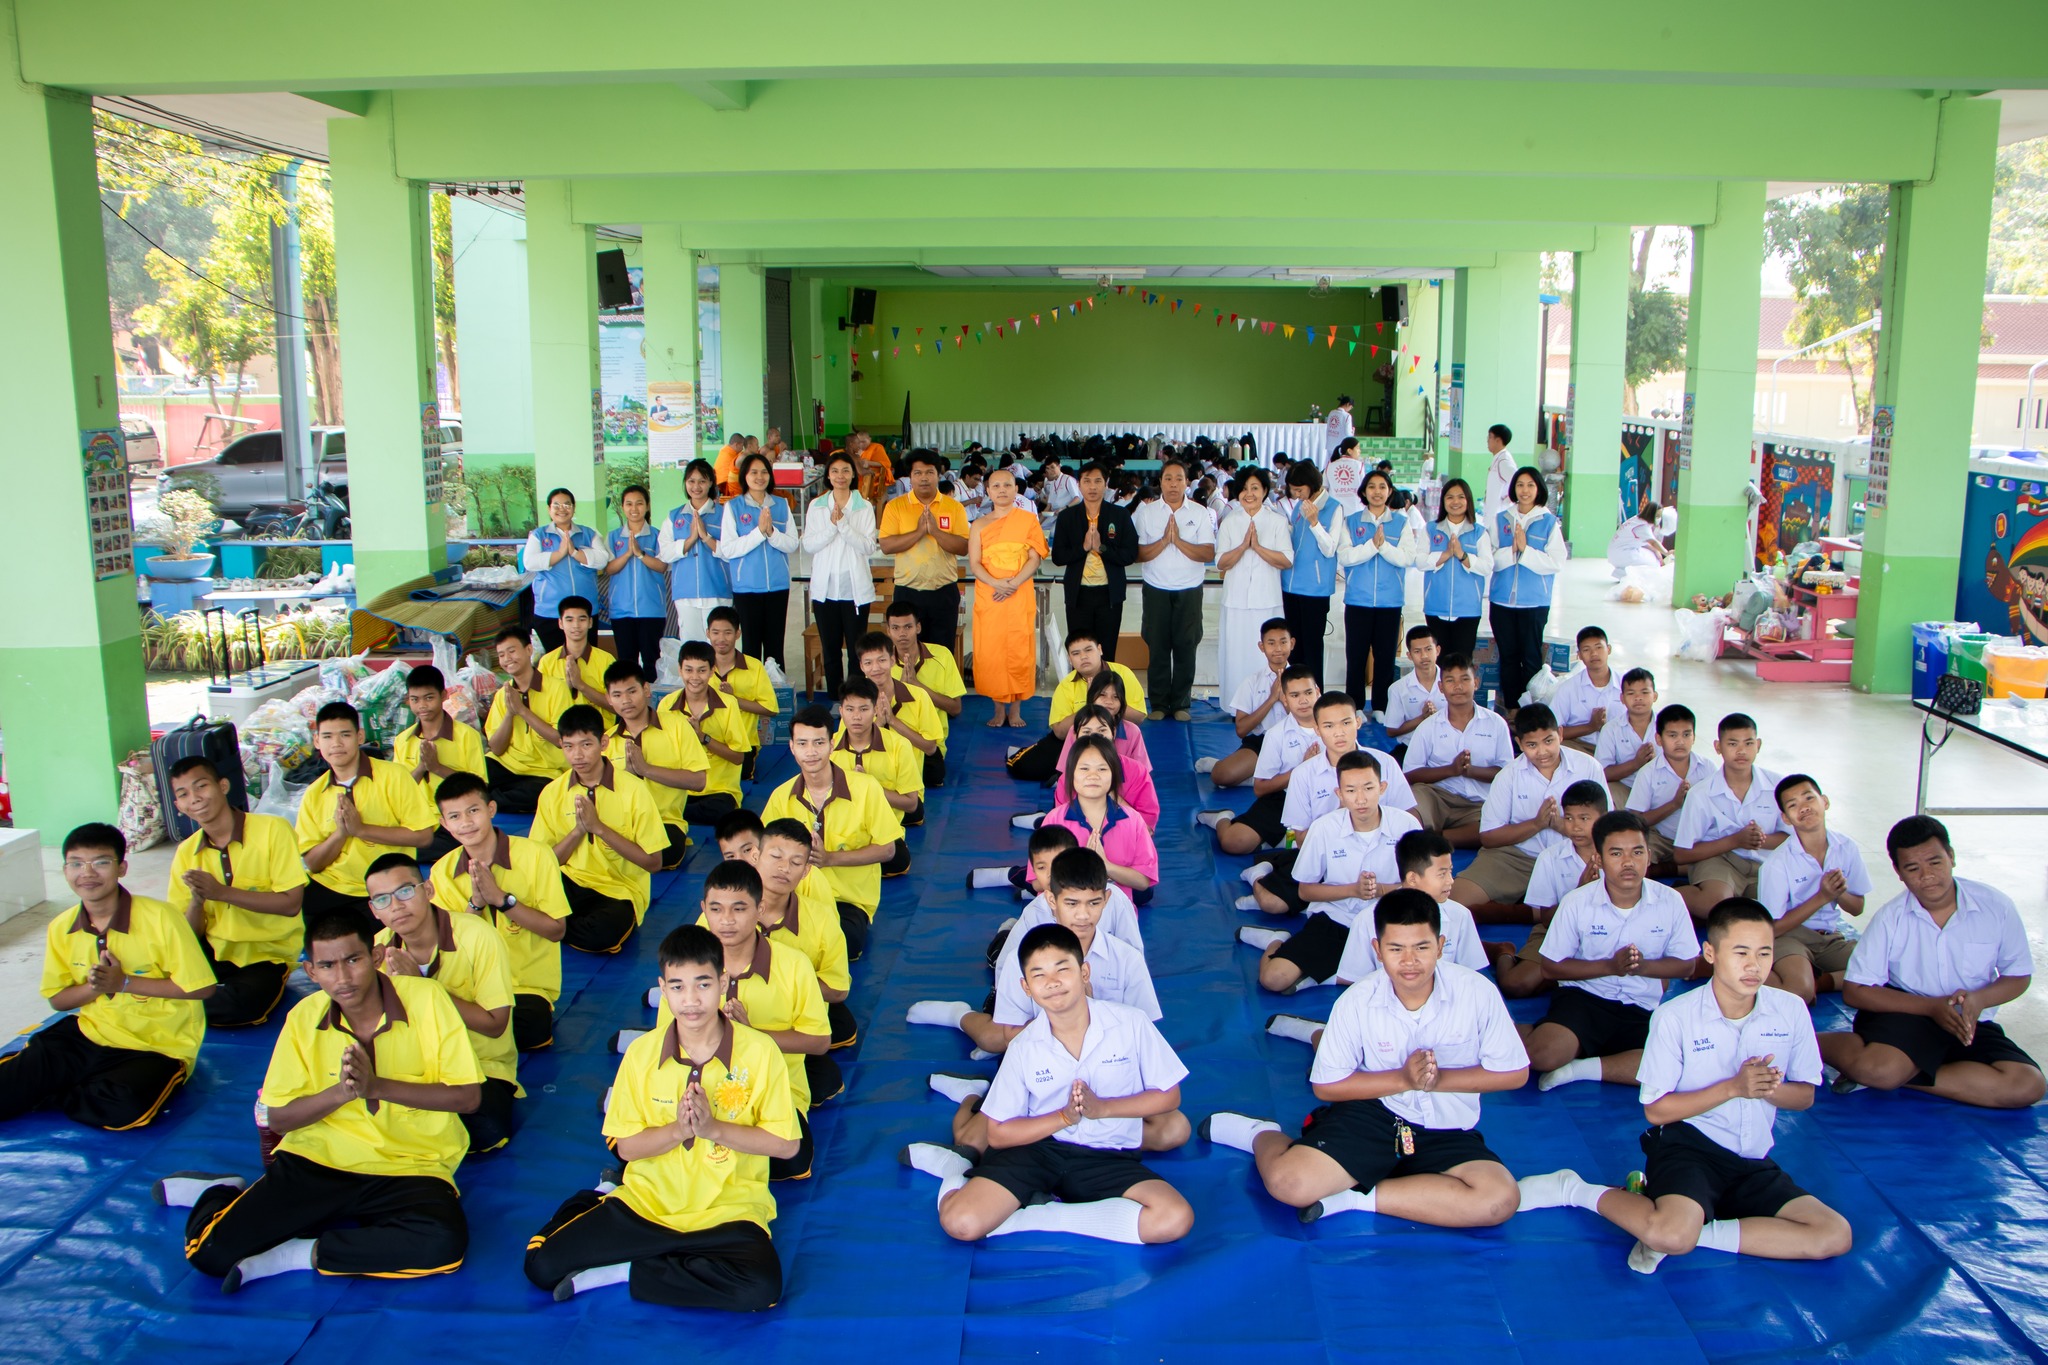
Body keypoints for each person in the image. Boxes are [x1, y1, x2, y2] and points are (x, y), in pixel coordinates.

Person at [1517, 898, 1852, 1275]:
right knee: (1671, 1235)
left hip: (1752, 1157)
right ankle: (1572, 1188)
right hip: (1688, 1148)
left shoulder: (1790, 1010)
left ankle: (1693, 1230)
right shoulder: (1676, 1016)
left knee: (1833, 1234)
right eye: (1740, 952)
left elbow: (1805, 1095)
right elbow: (1656, 1110)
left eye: (1764, 953)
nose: (1753, 965)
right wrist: (1733, 1088)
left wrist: (1765, 1089)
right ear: (1710, 952)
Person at [167, 908, 478, 1293]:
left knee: (443, 1245)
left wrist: (376, 1086)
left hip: (411, 1165)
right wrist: (343, 1092)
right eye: (327, 965)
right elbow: (278, 1119)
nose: (343, 977)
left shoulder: (429, 1000)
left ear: (376, 957)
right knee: (210, 1254)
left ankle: (300, 1253)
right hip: (318, 1162)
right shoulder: (303, 1018)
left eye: (353, 960)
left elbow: (468, 1098)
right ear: (310, 972)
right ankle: (222, 1192)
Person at [1205, 889, 1528, 1227]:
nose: (1409, 961)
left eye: (1421, 947)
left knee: (1498, 1199)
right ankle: (1261, 1134)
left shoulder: (1477, 992)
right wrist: (1403, 1080)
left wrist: (1438, 1080)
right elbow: (1326, 1086)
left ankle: (1356, 1197)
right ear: (1377, 949)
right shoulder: (1358, 1000)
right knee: (1290, 1184)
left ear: (1441, 945)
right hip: (1377, 1113)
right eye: (1395, 949)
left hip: (1448, 1127)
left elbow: (1514, 1073)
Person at [525, 924, 796, 1308]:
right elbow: (628, 1148)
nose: (691, 1000)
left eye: (703, 985)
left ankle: (628, 1271)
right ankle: (600, 1198)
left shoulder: (761, 1051)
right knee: (541, 1265)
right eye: (677, 987)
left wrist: (712, 1128)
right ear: (663, 988)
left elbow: (786, 1145)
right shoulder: (641, 1054)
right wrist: (677, 1130)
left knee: (761, 1287)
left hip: (727, 1211)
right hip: (648, 1205)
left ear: (722, 982)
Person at [901, 924, 1193, 1246]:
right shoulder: (1024, 1045)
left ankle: (1039, 1216)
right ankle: (956, 1170)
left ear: (1084, 972)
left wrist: (1104, 1108)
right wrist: (1064, 1118)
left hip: (1108, 1155)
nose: (1052, 983)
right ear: (1027, 988)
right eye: (1038, 975)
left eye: (1062, 969)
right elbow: (998, 1133)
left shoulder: (1130, 1023)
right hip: (1038, 1150)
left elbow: (1169, 1094)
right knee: (960, 1222)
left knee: (1174, 1217)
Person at [616, 861, 830, 1180]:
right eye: (716, 909)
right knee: (635, 1148)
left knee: (793, 1161)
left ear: (759, 909)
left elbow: (820, 1041)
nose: (726, 921)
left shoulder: (795, 965)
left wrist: (751, 1034)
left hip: (764, 1093)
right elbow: (667, 1042)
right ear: (704, 910)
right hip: (694, 1089)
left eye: (739, 909)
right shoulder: (687, 970)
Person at [1818, 815, 2044, 1109]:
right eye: (1913, 868)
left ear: (1951, 857)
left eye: (1935, 862)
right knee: (1880, 1069)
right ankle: (1816, 1041)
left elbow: (2018, 975)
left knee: (2027, 1084)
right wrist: (1930, 1007)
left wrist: (1978, 1000)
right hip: (1907, 1013)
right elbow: (1856, 990)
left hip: (1967, 1020)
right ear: (1899, 873)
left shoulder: (1996, 906)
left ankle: (1906, 1077)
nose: (1926, 875)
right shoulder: (1891, 918)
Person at [0, 824, 212, 1130]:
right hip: (88, 1034)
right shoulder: (61, 927)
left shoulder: (162, 917)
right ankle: (68, 1087)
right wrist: (95, 988)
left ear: (121, 868)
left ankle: (56, 1091)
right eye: (76, 863)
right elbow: (58, 1000)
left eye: (100, 862)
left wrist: (123, 983)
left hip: (155, 1046)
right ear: (64, 870)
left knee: (126, 1110)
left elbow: (202, 988)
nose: (87, 873)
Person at [911, 847, 1160, 1062]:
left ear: (1106, 899)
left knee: (1170, 1120)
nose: (1083, 915)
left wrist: (1094, 1014)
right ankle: (959, 1015)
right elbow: (1012, 1032)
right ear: (1051, 900)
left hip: (1111, 1057)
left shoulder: (1127, 959)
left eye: (1093, 903)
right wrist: (1065, 1019)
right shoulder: (1022, 958)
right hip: (1040, 1051)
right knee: (991, 1038)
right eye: (1072, 904)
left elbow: (1144, 1031)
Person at [1523, 812, 1700, 1092]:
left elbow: (1687, 966)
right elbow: (1550, 967)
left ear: (1650, 856)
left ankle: (1581, 1069)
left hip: (1641, 1005)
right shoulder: (1577, 901)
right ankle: (1543, 1036)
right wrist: (1610, 967)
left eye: (1637, 852)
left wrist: (1641, 967)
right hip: (1585, 998)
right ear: (1600, 859)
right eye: (1616, 853)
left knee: (1681, 1065)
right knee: (1543, 1055)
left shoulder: (1671, 901)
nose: (1628, 862)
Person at [364, 854, 518, 1154]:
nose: (396, 906)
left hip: (479, 1067)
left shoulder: (477, 936)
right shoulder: (377, 952)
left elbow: (495, 1025)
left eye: (405, 891)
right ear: (373, 910)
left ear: (428, 890)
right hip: (412, 1070)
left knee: (487, 1128)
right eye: (382, 899)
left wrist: (425, 988)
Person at [1238, 751, 1422, 994]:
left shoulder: (1407, 826)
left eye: (1368, 788)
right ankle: (1277, 940)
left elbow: (1421, 885)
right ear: (1340, 795)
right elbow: (1305, 890)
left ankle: (1331, 974)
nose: (1361, 799)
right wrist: (1353, 891)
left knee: (1411, 978)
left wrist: (1384, 890)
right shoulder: (1324, 828)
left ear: (1383, 788)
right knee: (1274, 979)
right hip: (1337, 919)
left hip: (1392, 922)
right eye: (1351, 791)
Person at [429, 772, 572, 1052]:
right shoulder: (441, 873)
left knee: (531, 1027)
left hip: (524, 988)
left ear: (491, 809)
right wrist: (476, 904)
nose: (466, 823)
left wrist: (503, 901)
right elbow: (448, 946)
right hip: (468, 990)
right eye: (455, 817)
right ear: (444, 824)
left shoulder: (536, 855)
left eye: (473, 811)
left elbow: (557, 930)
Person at [165, 757, 306, 1028]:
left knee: (244, 1005)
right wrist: (197, 901)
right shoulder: (186, 852)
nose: (194, 798)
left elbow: (291, 904)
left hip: (266, 956)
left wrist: (221, 892)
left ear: (223, 786)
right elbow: (186, 934)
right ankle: (181, 1002)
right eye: (183, 794)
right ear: (178, 807)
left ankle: (173, 1006)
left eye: (201, 786)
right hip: (214, 951)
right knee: (154, 968)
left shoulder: (272, 830)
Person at [762, 705, 906, 960]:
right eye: (803, 744)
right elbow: (763, 854)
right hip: (791, 897)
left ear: (832, 744)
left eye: (818, 743)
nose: (811, 752)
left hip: (846, 901)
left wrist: (830, 859)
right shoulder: (780, 796)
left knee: (843, 944)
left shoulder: (865, 788)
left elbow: (888, 849)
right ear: (792, 747)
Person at [1447, 702, 1604, 921]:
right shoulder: (1508, 775)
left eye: (1549, 741)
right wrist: (1536, 824)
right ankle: (1532, 912)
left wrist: (1559, 824)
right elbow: (1489, 837)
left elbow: (1605, 828)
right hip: (1516, 856)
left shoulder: (1588, 767)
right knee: (1453, 904)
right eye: (1532, 745)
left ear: (1560, 734)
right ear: (1519, 743)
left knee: (1607, 901)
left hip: (1575, 855)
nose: (1542, 752)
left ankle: (1525, 913)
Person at [532, 704, 667, 954]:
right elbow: (543, 862)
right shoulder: (552, 793)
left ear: (603, 743)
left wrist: (600, 828)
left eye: (586, 745)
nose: (577, 756)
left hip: (618, 890)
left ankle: (551, 927)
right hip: (570, 881)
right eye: (568, 747)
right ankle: (553, 925)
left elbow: (653, 862)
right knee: (522, 896)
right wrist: (578, 832)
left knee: (604, 933)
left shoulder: (634, 790)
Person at [296, 701, 438, 918]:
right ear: (316, 741)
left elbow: (424, 837)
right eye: (327, 737)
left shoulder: (394, 776)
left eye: (345, 735)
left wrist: (361, 829)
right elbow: (313, 863)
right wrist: (341, 834)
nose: (336, 744)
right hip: (334, 885)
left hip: (389, 885)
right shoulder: (314, 793)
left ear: (360, 737)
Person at [1755, 775, 1869, 1004]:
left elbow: (1857, 908)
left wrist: (1838, 893)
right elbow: (1772, 929)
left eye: (1809, 798)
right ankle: (1743, 971)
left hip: (1829, 938)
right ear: (1786, 818)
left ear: (1824, 802)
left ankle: (1823, 981)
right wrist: (1822, 897)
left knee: (1887, 971)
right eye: (1793, 805)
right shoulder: (1777, 864)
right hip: (1789, 937)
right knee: (1800, 993)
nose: (1804, 808)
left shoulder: (1846, 847)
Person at [1490, 779, 1607, 998]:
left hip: (1608, 932)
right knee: (1516, 985)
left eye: (1584, 818)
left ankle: (1562, 977)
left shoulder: (1615, 855)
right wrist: (1579, 892)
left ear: (1604, 818)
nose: (1576, 827)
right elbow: (1546, 919)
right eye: (1569, 818)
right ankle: (1504, 952)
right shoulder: (1550, 858)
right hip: (1557, 930)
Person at [1196, 666, 1322, 857]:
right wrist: (1301, 770)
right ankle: (1221, 818)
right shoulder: (1275, 735)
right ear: (1285, 700)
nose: (1303, 700)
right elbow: (1260, 788)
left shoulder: (1334, 728)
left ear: (1318, 692)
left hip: (1326, 798)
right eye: (1295, 695)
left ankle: (1279, 842)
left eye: (1308, 693)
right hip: (1284, 798)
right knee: (1234, 842)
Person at [1674, 712, 1787, 917]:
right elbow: (1682, 854)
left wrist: (1760, 840)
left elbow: (1792, 837)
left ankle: (1735, 900)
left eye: (1749, 743)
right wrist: (1735, 841)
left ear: (1758, 745)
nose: (1742, 751)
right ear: (1718, 747)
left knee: (1786, 907)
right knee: (1716, 905)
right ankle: (1671, 896)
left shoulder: (1778, 786)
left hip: (1766, 864)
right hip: (1720, 861)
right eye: (1733, 744)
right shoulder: (1701, 793)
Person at [604, 661, 712, 870]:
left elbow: (699, 781)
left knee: (665, 853)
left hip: (664, 823)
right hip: (621, 827)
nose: (625, 701)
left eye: (631, 691)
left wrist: (646, 770)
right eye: (617, 695)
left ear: (646, 690)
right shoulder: (606, 741)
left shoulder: (677, 726)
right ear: (608, 699)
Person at [1005, 626, 1146, 783]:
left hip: (1117, 736)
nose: (1083, 657)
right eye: (1076, 653)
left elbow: (1139, 717)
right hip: (1074, 739)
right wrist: (1089, 705)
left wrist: (1109, 707)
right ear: (1069, 659)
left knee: (1123, 775)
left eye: (1088, 650)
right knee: (1027, 768)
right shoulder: (1066, 685)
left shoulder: (1123, 674)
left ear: (1100, 649)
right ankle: (1023, 754)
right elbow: (1059, 732)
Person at [1132, 457, 1217, 720]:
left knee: (1186, 645)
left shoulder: (1200, 513)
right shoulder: (1146, 512)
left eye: (1179, 478)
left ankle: (1181, 703)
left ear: (1187, 482)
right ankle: (1158, 703)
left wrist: (1178, 541)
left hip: (1189, 589)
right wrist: (1164, 541)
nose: (1173, 484)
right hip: (1156, 588)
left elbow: (1207, 552)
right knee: (1157, 646)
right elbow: (1138, 554)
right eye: (1168, 478)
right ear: (1160, 482)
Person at [1401, 652, 1514, 849]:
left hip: (1479, 802)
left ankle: (1435, 839)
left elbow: (1507, 774)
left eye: (1465, 679)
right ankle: (1436, 837)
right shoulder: (1428, 726)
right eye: (1450, 680)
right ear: (1441, 687)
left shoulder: (1496, 723)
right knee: (1410, 811)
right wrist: (1451, 770)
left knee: (1497, 829)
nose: (1458, 687)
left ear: (1476, 683)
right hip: (1437, 796)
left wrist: (1471, 771)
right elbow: (1409, 776)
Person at [969, 467, 1049, 728]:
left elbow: (1034, 558)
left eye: (1007, 485)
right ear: (988, 491)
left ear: (1016, 489)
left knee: (1018, 650)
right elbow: (975, 563)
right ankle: (998, 710)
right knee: (992, 651)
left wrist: (1013, 584)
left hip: (1018, 592)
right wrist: (996, 583)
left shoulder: (1027, 521)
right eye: (996, 486)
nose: (1002, 490)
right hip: (990, 594)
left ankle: (1015, 711)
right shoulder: (979, 525)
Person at [1215, 466, 1294, 715]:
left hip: (1266, 600)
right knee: (1235, 656)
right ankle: (1235, 708)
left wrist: (1257, 547)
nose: (1249, 494)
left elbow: (1286, 560)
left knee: (1265, 656)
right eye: (1245, 489)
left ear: (1265, 491)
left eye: (1255, 488)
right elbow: (1221, 562)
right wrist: (1242, 547)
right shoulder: (1230, 521)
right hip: (1236, 601)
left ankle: (1271, 704)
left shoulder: (1277, 522)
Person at [1042, 735, 1157, 904]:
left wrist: (1106, 866)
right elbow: (1038, 880)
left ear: (1114, 775)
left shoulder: (1133, 820)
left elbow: (1143, 881)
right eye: (1084, 769)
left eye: (1102, 769)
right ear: (1071, 773)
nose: (1093, 775)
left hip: (1114, 914)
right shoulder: (1054, 820)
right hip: (1061, 914)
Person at [801, 450, 878, 699]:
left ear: (853, 474)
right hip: (825, 592)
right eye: (835, 471)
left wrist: (843, 525)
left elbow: (868, 546)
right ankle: (836, 699)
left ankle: (855, 698)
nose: (840, 476)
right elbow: (809, 545)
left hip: (854, 592)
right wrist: (833, 527)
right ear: (828, 476)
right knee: (830, 649)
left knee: (857, 651)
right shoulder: (817, 505)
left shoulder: (863, 507)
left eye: (846, 470)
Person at [879, 449, 971, 654]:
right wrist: (920, 532)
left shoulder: (954, 507)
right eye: (918, 473)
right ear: (910, 477)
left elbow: (963, 547)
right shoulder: (895, 507)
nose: (924, 478)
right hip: (907, 592)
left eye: (929, 472)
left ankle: (937, 688)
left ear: (938, 475)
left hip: (944, 592)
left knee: (941, 654)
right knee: (907, 655)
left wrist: (935, 532)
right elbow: (887, 546)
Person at [393, 665, 487, 863]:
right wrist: (421, 768)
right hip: (416, 821)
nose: (422, 706)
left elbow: (479, 786)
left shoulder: (466, 735)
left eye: (429, 698)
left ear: (443, 695)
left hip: (454, 819)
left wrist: (437, 768)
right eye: (415, 700)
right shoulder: (403, 740)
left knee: (407, 852)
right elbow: (398, 792)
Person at [1338, 467, 1410, 717]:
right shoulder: (1352, 521)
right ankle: (1354, 705)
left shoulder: (1402, 523)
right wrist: (1372, 545)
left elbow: (1406, 558)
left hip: (1390, 602)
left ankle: (1381, 706)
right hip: (1358, 601)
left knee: (1385, 657)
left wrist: (1384, 547)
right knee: (1355, 657)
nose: (1377, 492)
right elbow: (1345, 556)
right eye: (1371, 487)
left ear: (1390, 492)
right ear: (1364, 492)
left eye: (1382, 487)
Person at [1488, 466, 1561, 715]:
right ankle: (1512, 710)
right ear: (1513, 489)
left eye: (1530, 485)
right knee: (1508, 657)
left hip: (1534, 603)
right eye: (1520, 485)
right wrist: (1514, 551)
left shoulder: (1549, 522)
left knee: (1530, 658)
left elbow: (1555, 562)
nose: (1525, 490)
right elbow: (1491, 560)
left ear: (1538, 488)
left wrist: (1526, 551)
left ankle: (1531, 711)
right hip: (1502, 602)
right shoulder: (1501, 519)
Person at [1051, 461, 1140, 662]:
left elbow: (1130, 554)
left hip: (1109, 594)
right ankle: (1083, 691)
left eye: (1098, 481)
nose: (1092, 487)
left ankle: (1106, 692)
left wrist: (1102, 548)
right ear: (1079, 484)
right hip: (1078, 594)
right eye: (1087, 481)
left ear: (1105, 483)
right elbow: (1058, 557)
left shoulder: (1120, 515)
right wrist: (1083, 548)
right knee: (1080, 650)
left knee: (1106, 650)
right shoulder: (1067, 517)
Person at [718, 452, 799, 666]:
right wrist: (758, 533)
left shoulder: (781, 504)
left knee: (775, 648)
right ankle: (751, 695)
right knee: (751, 648)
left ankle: (776, 694)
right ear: (745, 476)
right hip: (747, 589)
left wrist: (771, 533)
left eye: (764, 472)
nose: (759, 477)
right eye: (753, 472)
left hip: (777, 586)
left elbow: (792, 544)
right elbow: (728, 549)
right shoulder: (733, 507)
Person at [484, 626, 573, 815]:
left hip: (544, 771)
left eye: (512, 651)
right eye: (501, 655)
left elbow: (560, 739)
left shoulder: (556, 689)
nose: (507, 659)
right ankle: (490, 798)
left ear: (529, 650)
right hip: (507, 765)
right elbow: (497, 748)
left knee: (540, 794)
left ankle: (488, 800)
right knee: (470, 779)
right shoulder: (503, 694)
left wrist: (523, 711)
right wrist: (509, 713)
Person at [658, 641, 753, 817]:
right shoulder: (666, 705)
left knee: (721, 810)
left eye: (702, 670)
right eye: (688, 670)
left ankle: (679, 813)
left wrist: (703, 737)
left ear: (712, 671)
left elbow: (739, 757)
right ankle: (679, 811)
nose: (695, 677)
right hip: (681, 787)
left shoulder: (728, 704)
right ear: (679, 670)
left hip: (718, 791)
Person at [1201, 618, 1296, 789]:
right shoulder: (1252, 682)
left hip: (1297, 742)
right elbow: (1241, 730)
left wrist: (1288, 704)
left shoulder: (1304, 680)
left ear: (1292, 643)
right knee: (1221, 776)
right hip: (1262, 742)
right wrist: (1272, 698)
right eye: (1271, 643)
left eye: (1283, 642)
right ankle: (1257, 777)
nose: (1278, 649)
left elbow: (1312, 723)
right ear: (1262, 647)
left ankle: (1260, 778)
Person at [1407, 476, 1490, 661]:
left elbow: (1486, 566)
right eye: (1450, 497)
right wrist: (1444, 555)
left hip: (1468, 609)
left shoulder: (1479, 532)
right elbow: (1419, 561)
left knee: (1463, 661)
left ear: (1468, 500)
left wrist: (1462, 555)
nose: (1455, 502)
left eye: (1461, 497)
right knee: (1440, 661)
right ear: (1443, 501)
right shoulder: (1430, 529)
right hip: (1436, 606)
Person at [886, 598, 966, 788]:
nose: (902, 634)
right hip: (892, 744)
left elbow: (955, 708)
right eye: (895, 628)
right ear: (888, 631)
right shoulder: (880, 663)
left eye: (908, 627)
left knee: (933, 778)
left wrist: (917, 685)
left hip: (929, 744)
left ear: (918, 628)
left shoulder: (942, 655)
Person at [1625, 703, 1714, 873]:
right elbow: (1637, 821)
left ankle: (1671, 869)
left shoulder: (1708, 768)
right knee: (1636, 863)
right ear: (1659, 739)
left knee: (1721, 857)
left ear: (1694, 737)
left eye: (1686, 734)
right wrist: (1675, 804)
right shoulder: (1648, 773)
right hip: (1661, 837)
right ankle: (1675, 869)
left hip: (1699, 839)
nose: (1680, 741)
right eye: (1672, 735)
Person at [522, 486, 607, 654]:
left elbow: (603, 559)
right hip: (550, 612)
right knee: (556, 662)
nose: (562, 509)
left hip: (584, 611)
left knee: (586, 660)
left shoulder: (588, 534)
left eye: (567, 505)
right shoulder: (539, 535)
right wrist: (560, 553)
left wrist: (575, 553)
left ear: (574, 508)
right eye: (556, 505)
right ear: (549, 509)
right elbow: (530, 563)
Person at [658, 458, 732, 645]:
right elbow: (665, 553)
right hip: (685, 592)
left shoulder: (724, 514)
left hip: (717, 590)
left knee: (719, 645)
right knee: (691, 647)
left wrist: (706, 537)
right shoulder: (674, 516)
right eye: (691, 481)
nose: (696, 486)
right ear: (685, 483)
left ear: (710, 483)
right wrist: (690, 540)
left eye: (702, 481)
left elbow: (732, 552)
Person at [1280, 461, 1342, 684]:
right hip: (1290, 584)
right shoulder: (1299, 505)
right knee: (1294, 645)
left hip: (1315, 589)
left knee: (1312, 646)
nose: (1295, 495)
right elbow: (1296, 537)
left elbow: (1330, 548)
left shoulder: (1334, 507)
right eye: (1293, 490)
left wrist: (1315, 523)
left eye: (1299, 489)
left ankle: (1316, 696)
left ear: (1312, 484)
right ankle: (1296, 694)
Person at [834, 677, 926, 822]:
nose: (856, 717)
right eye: (850, 709)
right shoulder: (828, 748)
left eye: (864, 709)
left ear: (876, 710)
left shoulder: (900, 745)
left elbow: (911, 804)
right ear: (841, 711)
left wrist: (871, 786)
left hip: (886, 829)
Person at [604, 483, 671, 677]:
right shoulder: (613, 537)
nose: (634, 509)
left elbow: (662, 566)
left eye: (639, 503)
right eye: (629, 504)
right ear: (623, 507)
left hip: (651, 608)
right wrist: (627, 554)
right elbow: (609, 569)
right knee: (626, 661)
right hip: (621, 610)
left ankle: (652, 703)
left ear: (647, 506)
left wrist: (640, 554)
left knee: (652, 661)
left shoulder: (657, 536)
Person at [537, 595, 618, 714]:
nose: (576, 625)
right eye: (569, 620)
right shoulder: (547, 662)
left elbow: (617, 707)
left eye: (582, 619)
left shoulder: (606, 660)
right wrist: (566, 689)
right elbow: (541, 705)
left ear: (590, 622)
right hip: (560, 730)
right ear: (560, 623)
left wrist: (581, 685)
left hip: (600, 731)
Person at [1593, 667, 1659, 809]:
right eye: (1631, 693)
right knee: (1602, 795)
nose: (1638, 698)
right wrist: (1636, 763)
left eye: (1645, 692)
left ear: (1655, 696)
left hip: (1661, 791)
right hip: (1626, 788)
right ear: (1622, 699)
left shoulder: (1667, 727)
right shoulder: (1611, 729)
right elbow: (1602, 772)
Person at [1551, 625, 1618, 752]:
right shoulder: (1568, 689)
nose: (1594, 654)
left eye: (1599, 647)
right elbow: (1550, 731)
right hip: (1583, 748)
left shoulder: (1626, 685)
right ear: (1579, 656)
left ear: (1608, 649)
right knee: (1556, 747)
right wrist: (1590, 727)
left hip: (1620, 748)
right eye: (1586, 650)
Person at [1380, 625, 1444, 751]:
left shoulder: (1452, 683)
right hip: (1411, 747)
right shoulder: (1398, 689)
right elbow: (1391, 731)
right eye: (1417, 651)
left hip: (1446, 747)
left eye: (1428, 649)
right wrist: (1422, 718)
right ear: (1409, 655)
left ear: (1437, 650)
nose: (1424, 656)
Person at [1607, 498, 1671, 580]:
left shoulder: (1638, 519)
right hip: (1620, 553)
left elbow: (1646, 542)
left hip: (1619, 550)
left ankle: (1622, 573)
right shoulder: (1642, 527)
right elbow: (1653, 542)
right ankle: (1625, 576)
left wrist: (1656, 551)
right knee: (1653, 564)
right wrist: (1666, 553)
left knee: (1653, 557)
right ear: (1651, 515)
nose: (1659, 519)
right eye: (1657, 516)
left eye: (1660, 516)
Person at [1481, 423, 1518, 531]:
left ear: (1498, 440)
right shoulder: (1498, 458)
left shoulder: (1504, 461)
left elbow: (1518, 481)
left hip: (1499, 515)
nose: (1487, 441)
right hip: (1492, 514)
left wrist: (1507, 500)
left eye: (1490, 437)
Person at [1325, 394, 1355, 460]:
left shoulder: (1331, 413)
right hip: (1340, 446)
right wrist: (1352, 432)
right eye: (1351, 407)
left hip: (1330, 444)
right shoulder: (1347, 416)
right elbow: (1348, 433)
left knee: (1329, 464)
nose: (1350, 409)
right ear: (1347, 404)